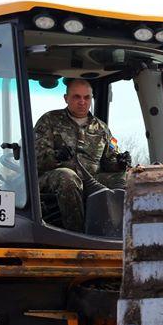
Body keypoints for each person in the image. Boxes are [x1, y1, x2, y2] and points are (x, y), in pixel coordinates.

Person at [34, 78, 131, 232]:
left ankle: (123, 231)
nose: (82, 102)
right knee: (68, 177)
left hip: (90, 179)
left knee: (128, 178)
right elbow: (35, 160)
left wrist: (120, 162)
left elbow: (109, 161)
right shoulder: (49, 120)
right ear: (66, 99)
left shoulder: (101, 128)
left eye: (86, 98)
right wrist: (57, 156)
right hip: (52, 178)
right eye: (76, 97)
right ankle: (78, 235)